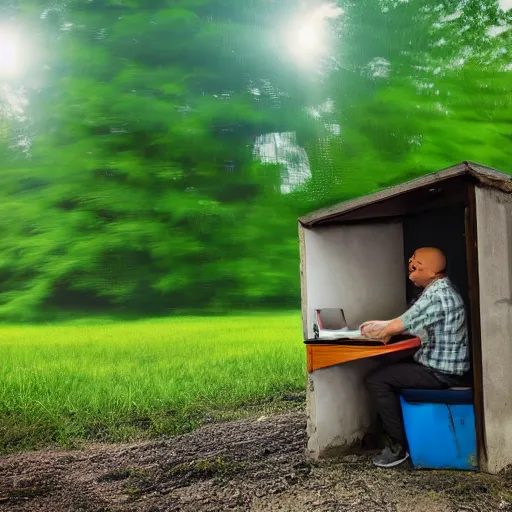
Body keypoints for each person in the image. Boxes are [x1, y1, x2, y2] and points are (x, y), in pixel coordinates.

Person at [360, 247, 471, 468]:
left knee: (376, 379)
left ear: (432, 272)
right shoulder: (442, 289)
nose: (410, 266)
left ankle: (398, 447)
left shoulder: (437, 295)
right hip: (441, 368)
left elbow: (398, 325)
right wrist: (385, 327)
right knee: (390, 366)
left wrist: (373, 329)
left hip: (442, 374)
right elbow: (407, 321)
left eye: (416, 264)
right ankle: (384, 435)